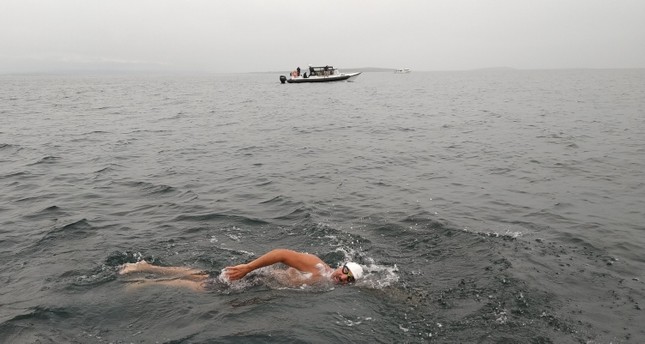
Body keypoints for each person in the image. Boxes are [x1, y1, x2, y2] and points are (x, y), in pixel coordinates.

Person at [118, 248, 364, 291]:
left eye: (348, 280)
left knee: (201, 276)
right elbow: (280, 254)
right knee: (202, 286)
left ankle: (146, 267)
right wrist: (247, 268)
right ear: (341, 265)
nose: (342, 278)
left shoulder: (327, 285)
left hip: (258, 283)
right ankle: (146, 282)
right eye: (345, 272)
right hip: (254, 277)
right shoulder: (317, 266)